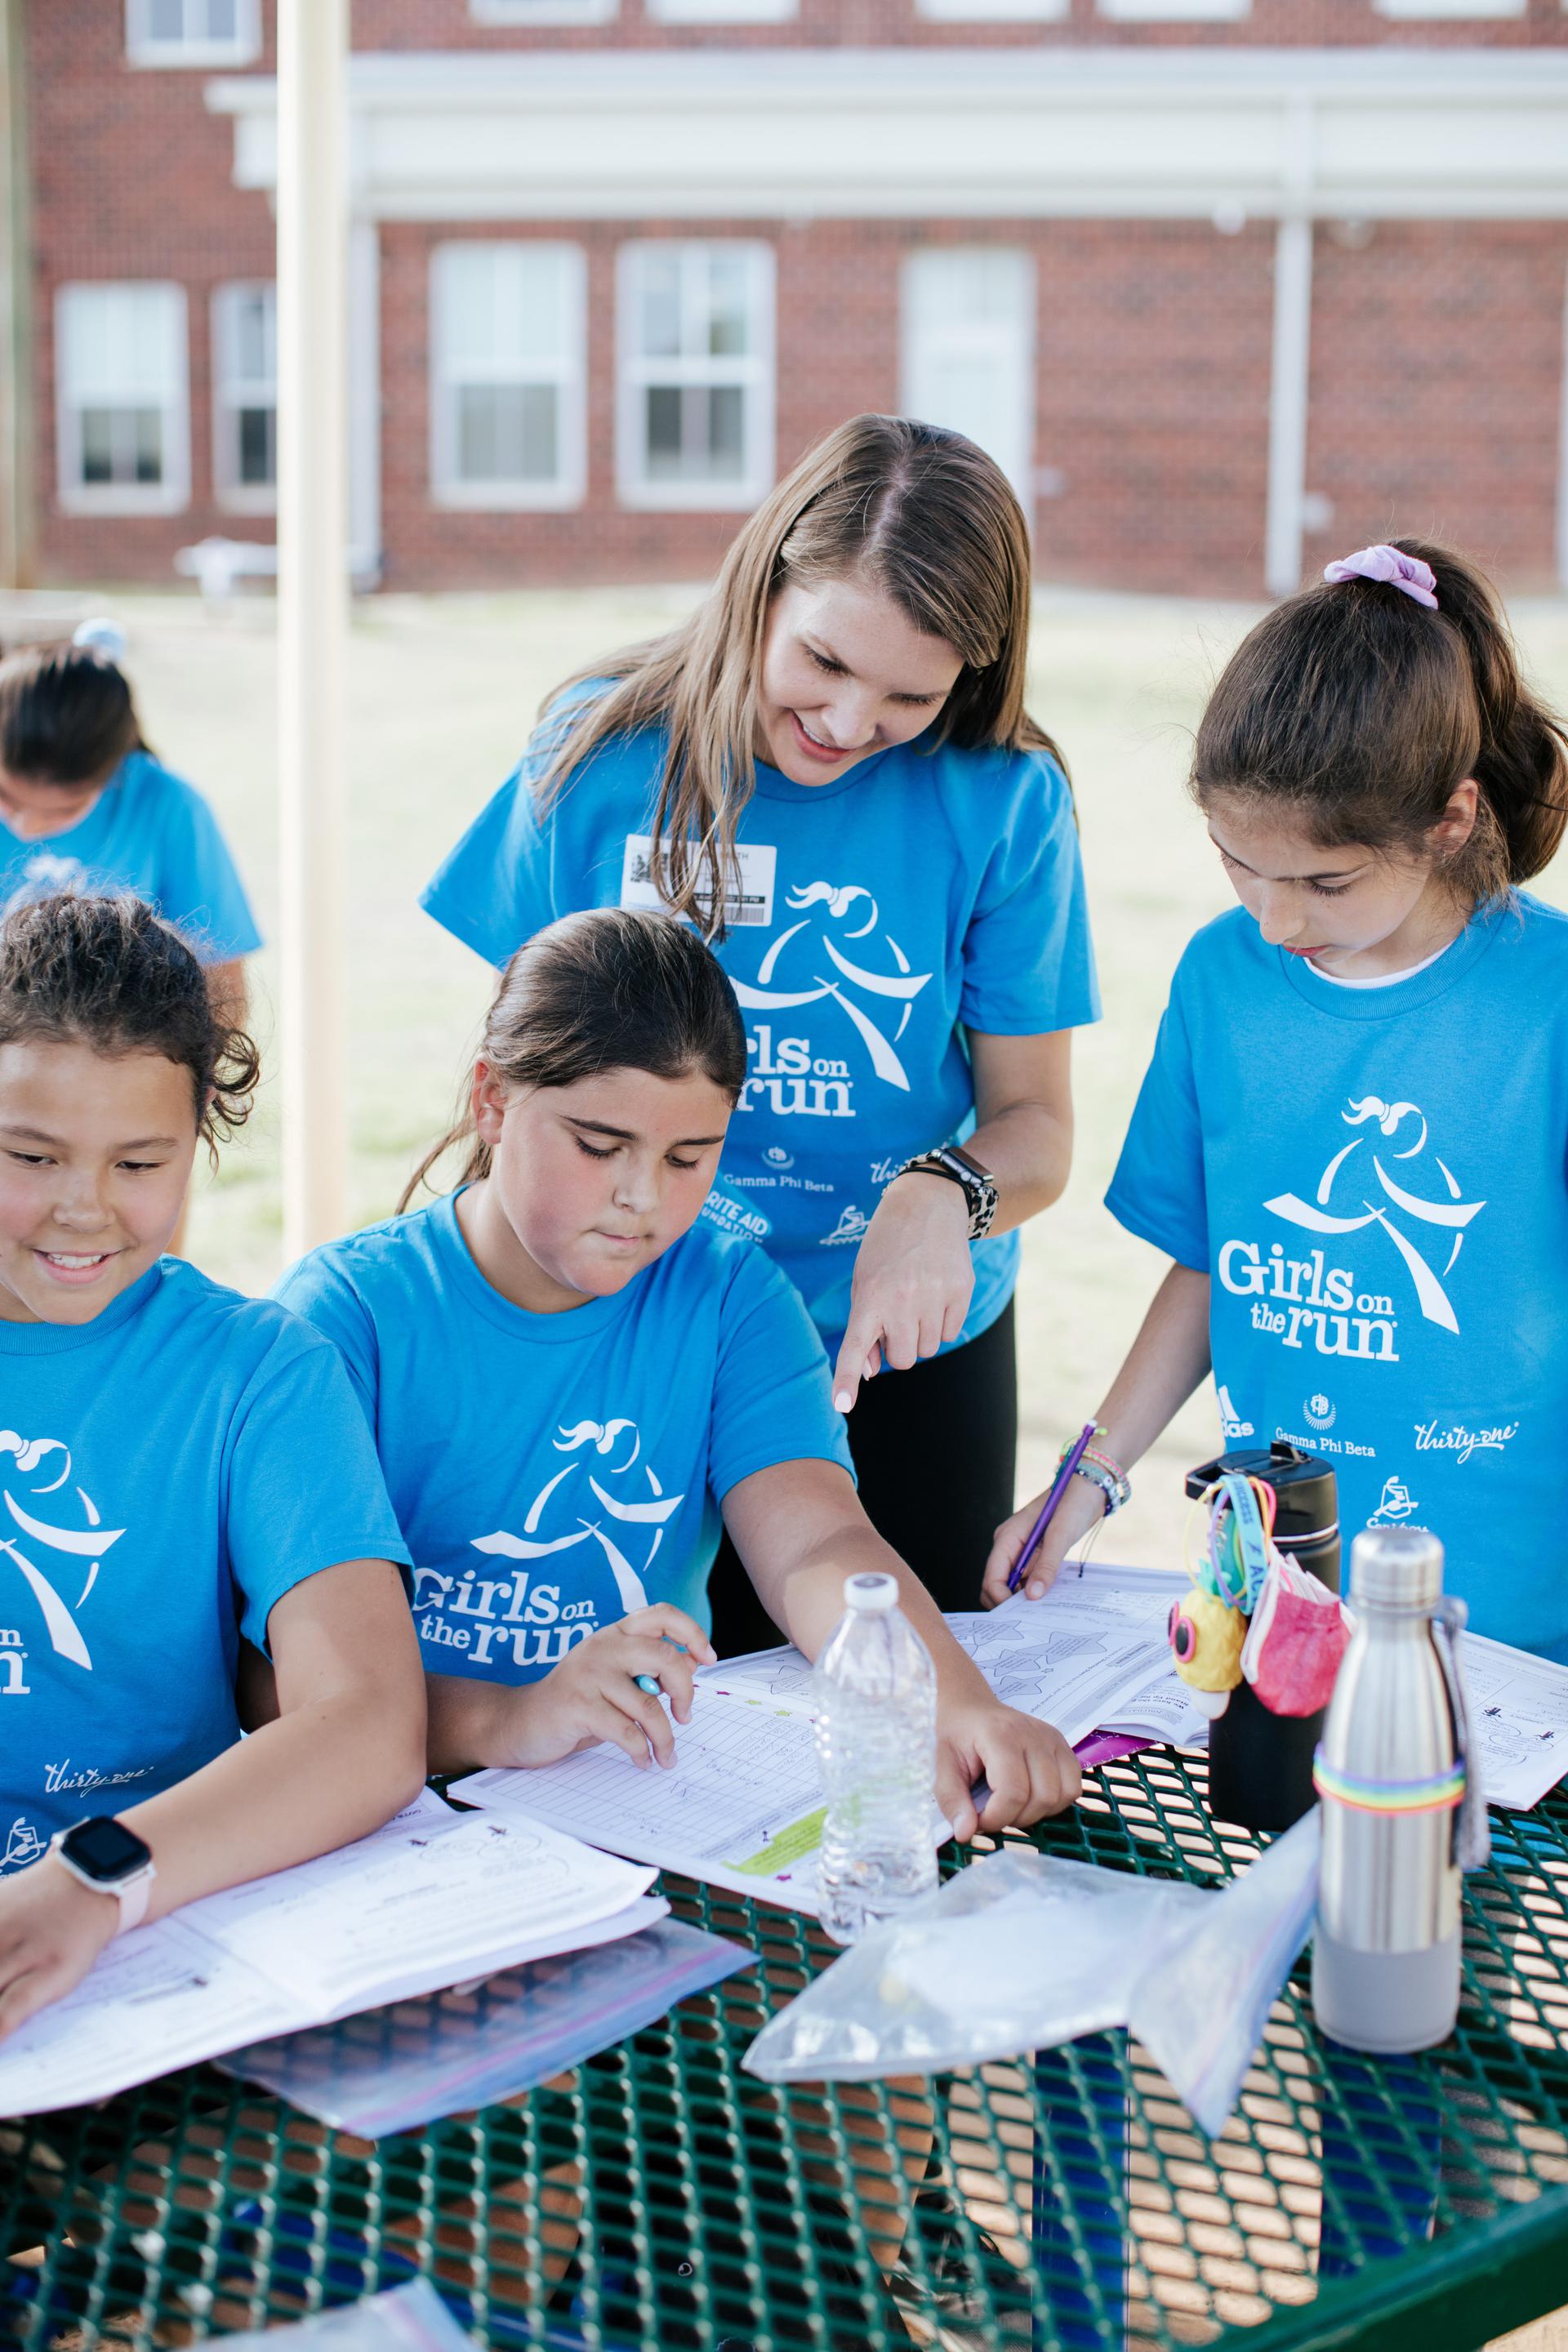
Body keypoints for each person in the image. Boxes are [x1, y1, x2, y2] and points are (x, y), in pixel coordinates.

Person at [420, 415, 1099, 1639]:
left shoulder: (1004, 800)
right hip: (633, 1315)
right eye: (826, 663)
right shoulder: (600, 752)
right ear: (764, 584)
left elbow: (1038, 1127)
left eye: (909, 694)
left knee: (894, 1701)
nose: (847, 723)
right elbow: (518, 1082)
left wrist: (944, 1193)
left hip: (895, 1346)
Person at [277, 907, 1080, 1831]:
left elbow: (818, 1546)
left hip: (633, 1807)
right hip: (383, 1818)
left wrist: (949, 1701)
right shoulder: (347, 1316)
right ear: (492, 1099)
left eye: (690, 1157)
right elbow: (278, 1684)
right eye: (598, 1145)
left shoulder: (733, 1297)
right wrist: (514, 1717)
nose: (641, 1199)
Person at [984, 540, 1568, 1663]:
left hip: (1517, 1625)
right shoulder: (1221, 979)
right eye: (1236, 864)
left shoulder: (1546, 1003)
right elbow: (1211, 1263)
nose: (1273, 919)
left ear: (1449, 821)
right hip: (1277, 1599)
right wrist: (1088, 1481)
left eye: (1323, 882)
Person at [0, 893, 425, 2042]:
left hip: (154, 1925)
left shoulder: (259, 1373)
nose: (83, 1208)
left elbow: (373, 1723)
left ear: (202, 1141)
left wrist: (92, 1881)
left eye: (141, 1161)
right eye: (30, 1156)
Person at [0, 635, 261, 1031]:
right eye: (7, 797)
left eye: (65, 811)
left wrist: (199, 1083)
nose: (26, 826)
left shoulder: (168, 805)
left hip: (115, 1060)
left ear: (116, 771)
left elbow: (220, 977)